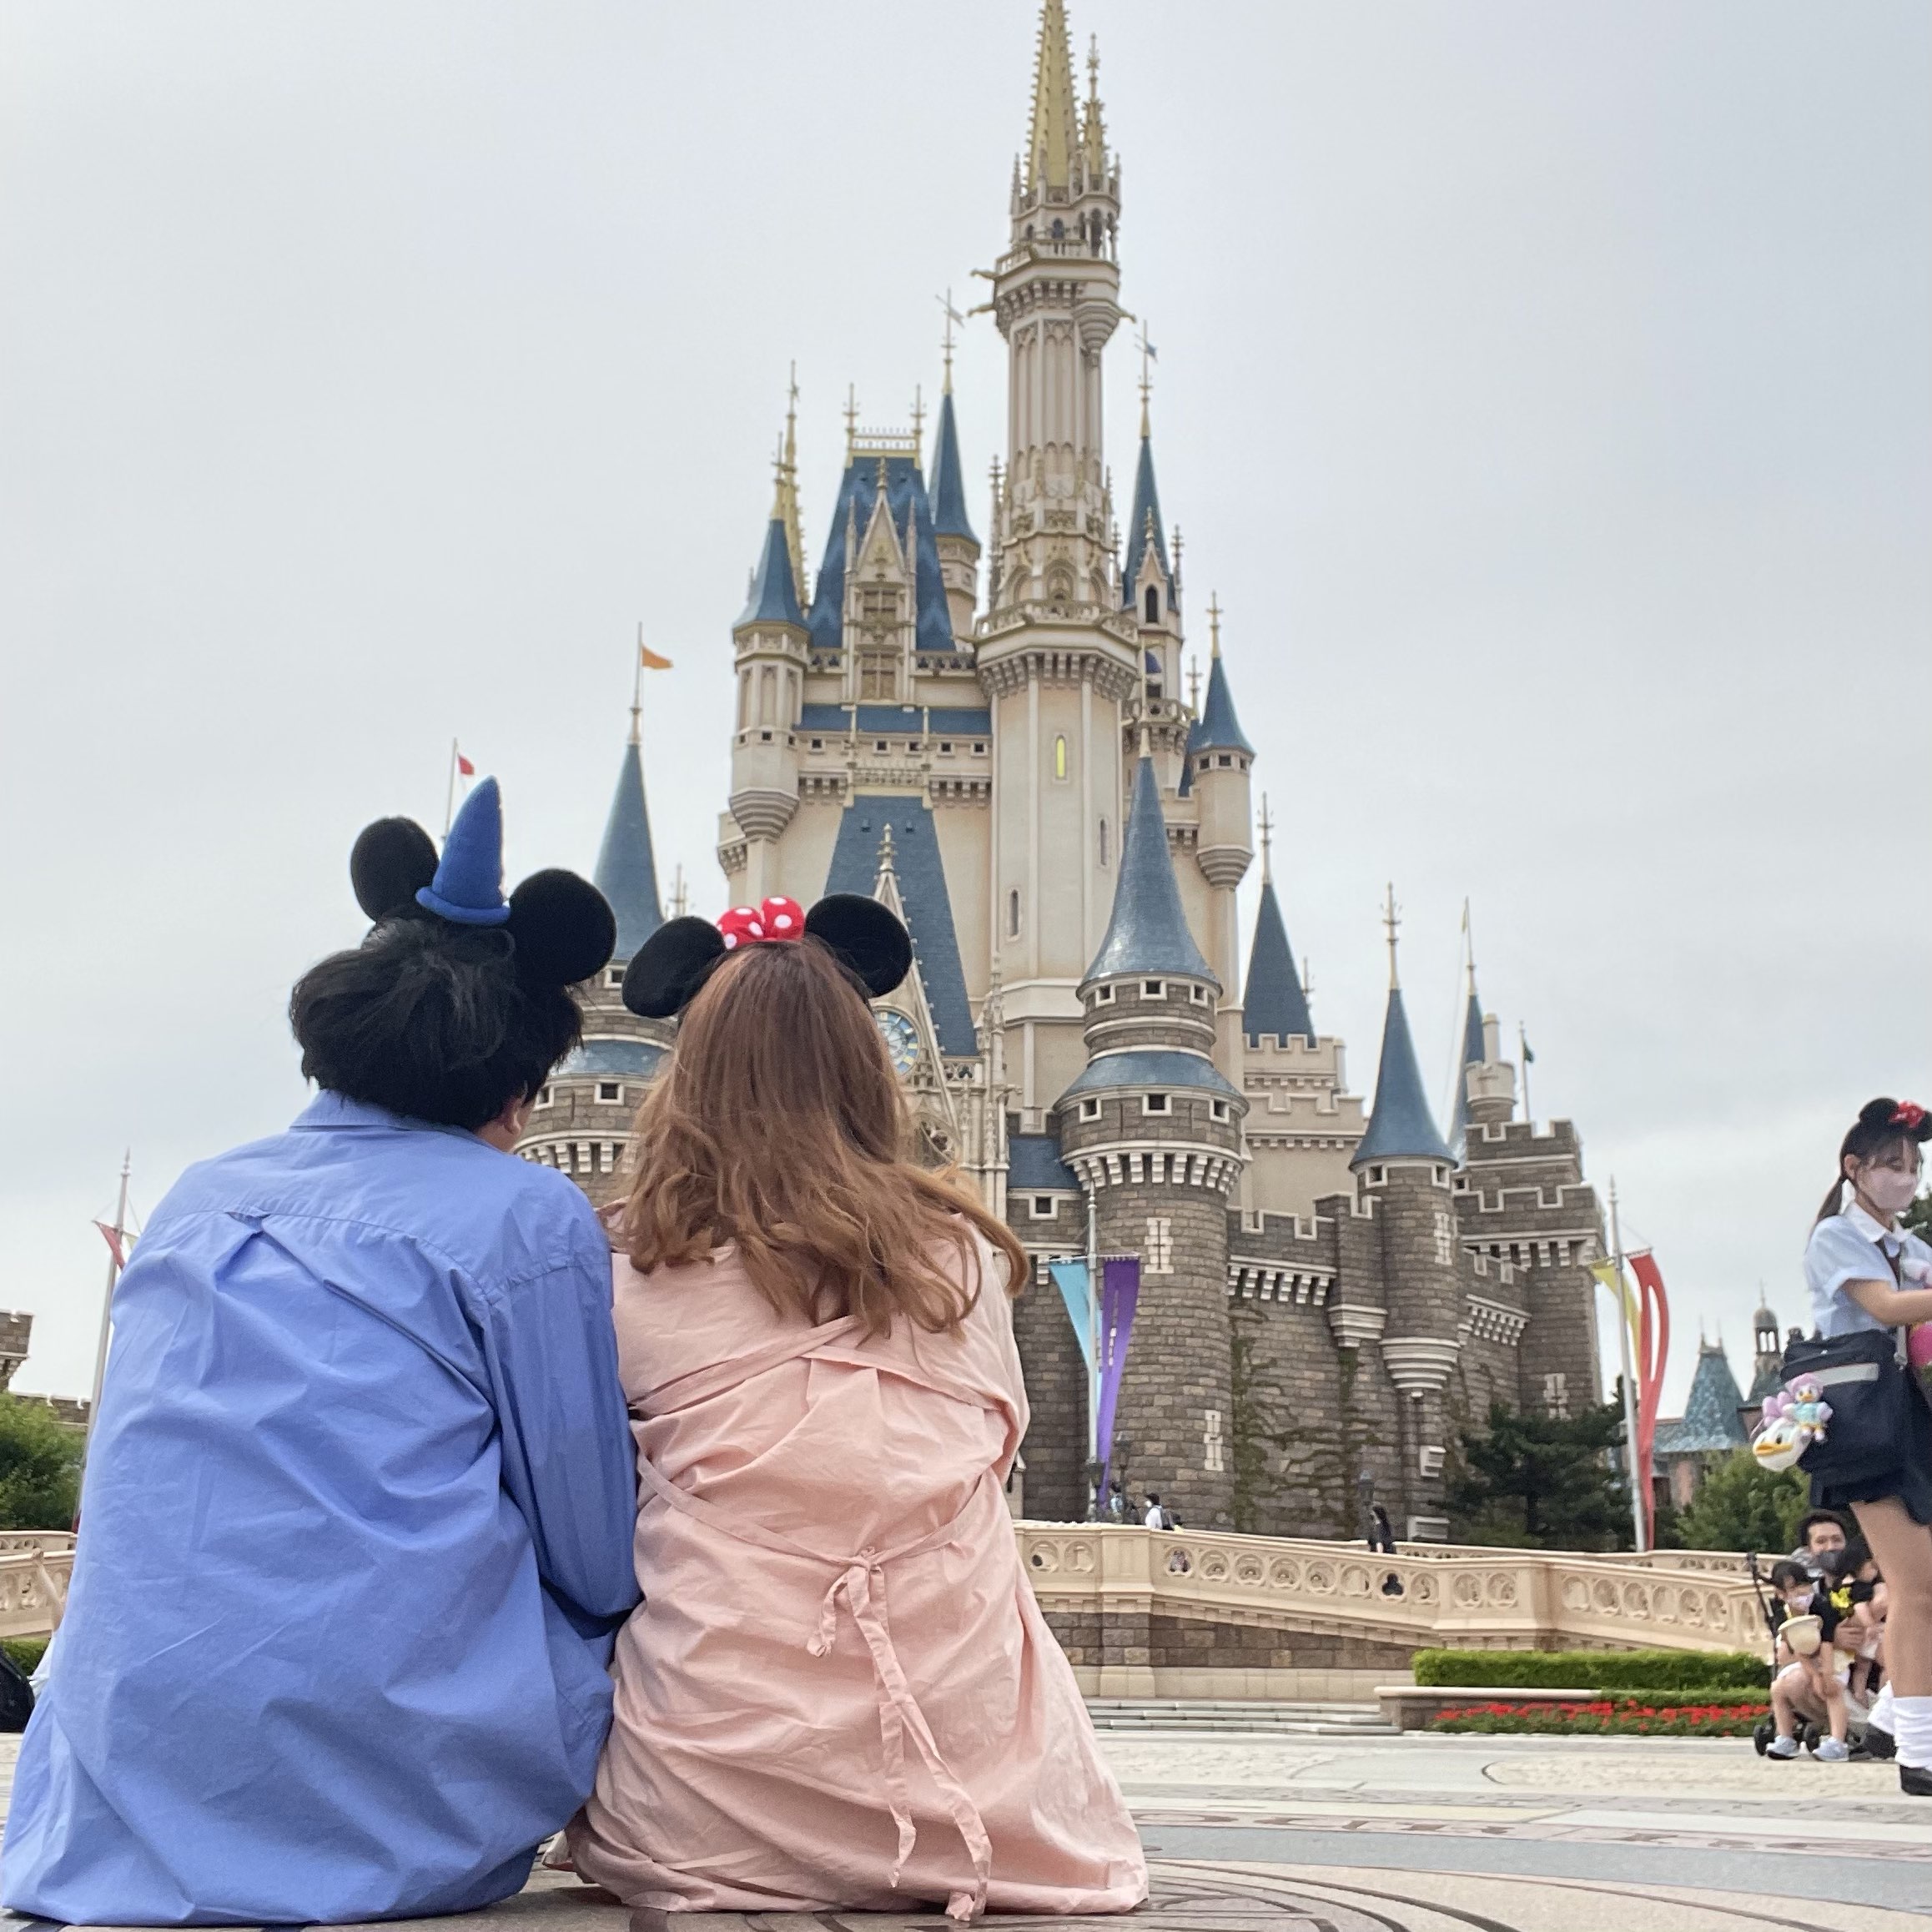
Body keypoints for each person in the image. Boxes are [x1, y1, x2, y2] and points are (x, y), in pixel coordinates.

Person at [2, 782, 641, 1924]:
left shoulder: (199, 1201)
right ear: (517, 1085)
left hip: (105, 1814)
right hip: (397, 1818)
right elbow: (592, 1553)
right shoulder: (525, 1221)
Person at [565, 894, 1147, 1921]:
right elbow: (992, 1456)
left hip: (697, 1810)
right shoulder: (962, 1260)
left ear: (689, 1081)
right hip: (990, 1814)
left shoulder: (626, 1278)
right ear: (866, 1073)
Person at [1803, 1097, 1932, 1794]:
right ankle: (1918, 1754)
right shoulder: (1836, 1238)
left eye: (1913, 1165)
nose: (1905, 1177)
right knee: (1917, 1586)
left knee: (1929, 1586)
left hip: (1909, 1409)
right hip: (1863, 1418)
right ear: (1854, 1168)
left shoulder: (1912, 1246)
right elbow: (1884, 1308)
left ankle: (1890, 1714)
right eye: (1890, 1164)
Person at [1764, 1560, 1850, 1759]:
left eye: (1803, 1585)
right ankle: (1786, 1738)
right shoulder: (1785, 1613)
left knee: (1833, 1688)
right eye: (1792, 1588)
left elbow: (1827, 1642)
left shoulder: (1822, 1606)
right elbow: (1797, 1648)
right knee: (1777, 1689)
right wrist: (1813, 1674)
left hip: (1832, 1657)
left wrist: (1825, 1675)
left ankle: (1838, 1742)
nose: (1800, 1592)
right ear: (1781, 1594)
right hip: (1806, 1659)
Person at [1789, 1510, 1849, 1578]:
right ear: (1808, 1549)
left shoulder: (1861, 1579)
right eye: (1821, 1541)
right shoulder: (1802, 1583)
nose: (1831, 1547)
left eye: (1837, 1540)